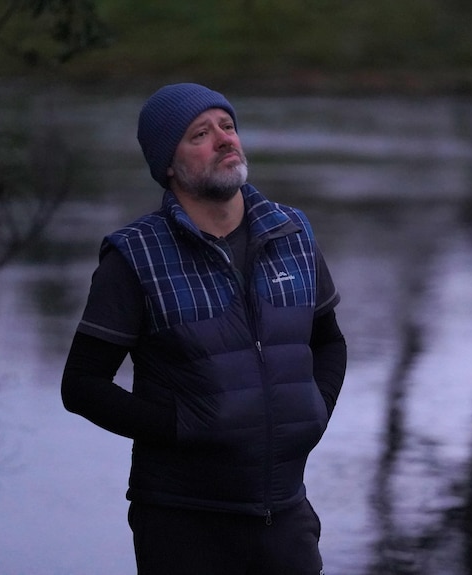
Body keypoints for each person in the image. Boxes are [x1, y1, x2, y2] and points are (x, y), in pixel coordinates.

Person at [61, 82, 347, 575]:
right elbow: (82, 386)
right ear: (168, 164)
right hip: (183, 521)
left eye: (228, 126)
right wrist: (180, 427)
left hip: (285, 513)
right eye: (200, 133)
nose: (223, 139)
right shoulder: (134, 256)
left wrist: (314, 410)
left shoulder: (292, 232)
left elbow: (329, 340)